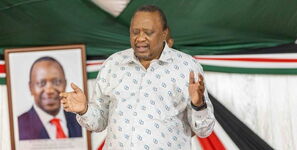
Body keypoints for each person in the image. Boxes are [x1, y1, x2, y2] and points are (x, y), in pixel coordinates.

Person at [60, 5, 215, 149]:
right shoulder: (113, 64)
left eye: (148, 33)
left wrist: (198, 104)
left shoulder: (187, 67)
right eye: (135, 32)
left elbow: (204, 130)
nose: (140, 38)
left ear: (164, 33)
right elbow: (98, 123)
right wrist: (84, 110)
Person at [18, 56, 82, 140]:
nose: (49, 90)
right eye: (41, 83)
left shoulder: (79, 122)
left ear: (65, 84)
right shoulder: (18, 125)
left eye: (56, 82)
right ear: (31, 88)